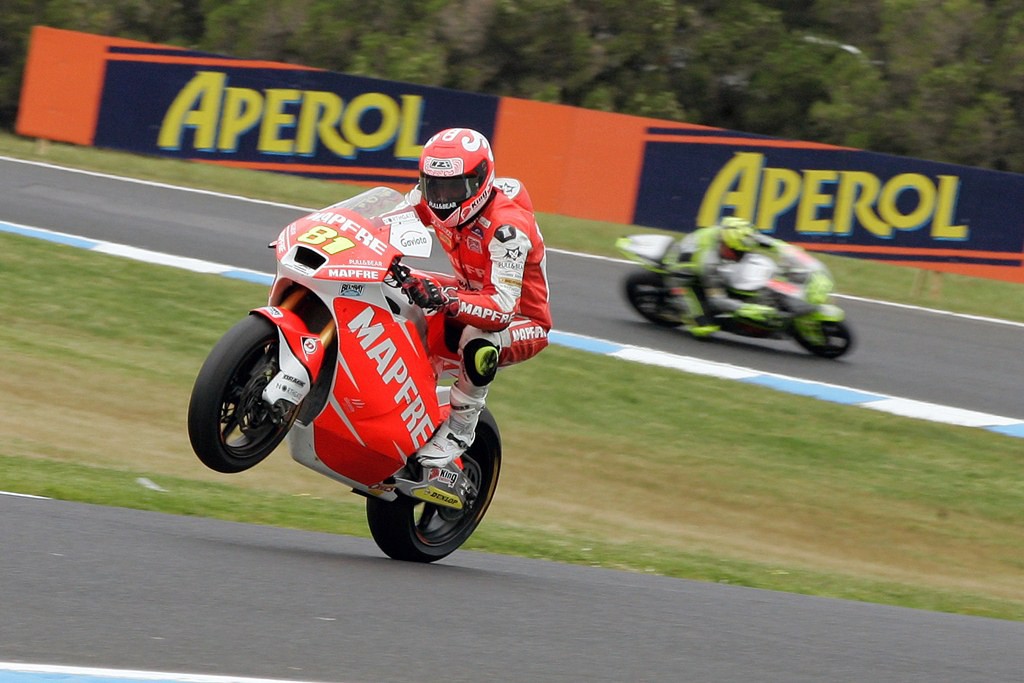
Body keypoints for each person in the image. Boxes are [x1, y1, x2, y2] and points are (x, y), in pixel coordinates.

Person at [399, 127, 552, 469]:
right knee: (402, 285)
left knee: (479, 338)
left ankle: (460, 428)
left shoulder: (507, 229)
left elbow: (500, 310)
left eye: (453, 187)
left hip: (521, 320)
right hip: (470, 293)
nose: (441, 196)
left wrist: (447, 301)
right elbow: (389, 218)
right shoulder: (429, 198)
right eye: (433, 185)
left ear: (480, 181)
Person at [664, 216, 782, 337]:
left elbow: (752, 238)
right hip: (679, 278)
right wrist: (745, 308)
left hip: (695, 256)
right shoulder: (708, 263)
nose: (742, 255)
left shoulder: (727, 231)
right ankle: (692, 318)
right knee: (704, 329)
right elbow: (717, 300)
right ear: (726, 246)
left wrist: (780, 246)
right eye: (738, 253)